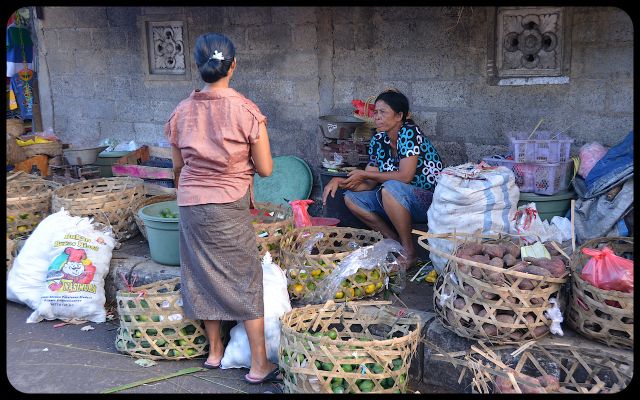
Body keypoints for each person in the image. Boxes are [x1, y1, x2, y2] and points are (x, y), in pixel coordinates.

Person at [164, 32, 280, 385]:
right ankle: (259, 364)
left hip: (191, 203)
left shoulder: (182, 111)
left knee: (200, 273)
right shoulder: (247, 111)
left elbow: (178, 167)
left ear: (198, 67)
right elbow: (266, 169)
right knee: (245, 278)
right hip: (228, 203)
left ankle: (215, 351)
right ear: (233, 65)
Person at [322, 89, 443, 268]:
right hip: (396, 199)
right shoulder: (379, 139)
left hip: (427, 201)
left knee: (390, 188)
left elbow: (405, 176)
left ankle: (410, 252)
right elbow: (370, 183)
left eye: (383, 112)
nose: (377, 117)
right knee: (352, 198)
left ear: (399, 116)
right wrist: (341, 182)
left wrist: (364, 173)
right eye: (375, 112)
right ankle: (395, 244)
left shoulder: (409, 132)